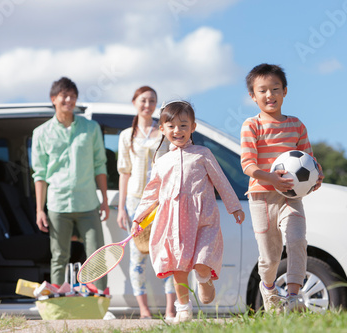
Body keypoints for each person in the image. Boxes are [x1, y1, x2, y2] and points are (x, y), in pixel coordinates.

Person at [131, 100, 245, 323]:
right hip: (175, 224)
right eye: (171, 126)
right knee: (179, 267)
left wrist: (235, 206)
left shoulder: (203, 154)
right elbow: (151, 193)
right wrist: (138, 218)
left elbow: (221, 182)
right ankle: (183, 309)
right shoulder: (162, 161)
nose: (178, 130)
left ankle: (204, 279)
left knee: (202, 261)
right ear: (162, 129)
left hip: (204, 220)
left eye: (184, 125)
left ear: (193, 127)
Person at [240, 64, 324, 313]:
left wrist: (316, 177)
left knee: (297, 240)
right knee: (270, 256)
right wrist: (270, 178)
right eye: (262, 90)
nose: (270, 95)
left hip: (291, 198)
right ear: (252, 96)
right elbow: (247, 165)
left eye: (275, 89)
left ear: (285, 91)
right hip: (261, 198)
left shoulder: (297, 126)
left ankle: (294, 295)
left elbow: (309, 160)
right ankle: (268, 289)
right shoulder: (251, 126)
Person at [32, 77, 109, 291]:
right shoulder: (41, 133)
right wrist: (40, 209)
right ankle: (57, 297)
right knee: (59, 255)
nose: (69, 100)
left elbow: (100, 166)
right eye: (64, 96)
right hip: (58, 203)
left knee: (97, 253)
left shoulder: (91, 128)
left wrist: (103, 200)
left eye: (73, 96)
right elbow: (40, 174)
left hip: (88, 202)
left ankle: (101, 296)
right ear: (53, 99)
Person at [116, 86, 176, 319]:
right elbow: (124, 172)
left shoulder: (164, 132)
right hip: (135, 201)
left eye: (152, 101)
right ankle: (143, 310)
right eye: (143, 100)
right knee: (138, 255)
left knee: (168, 252)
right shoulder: (125, 136)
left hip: (162, 200)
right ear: (134, 102)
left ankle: (172, 309)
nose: (147, 105)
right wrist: (121, 207)